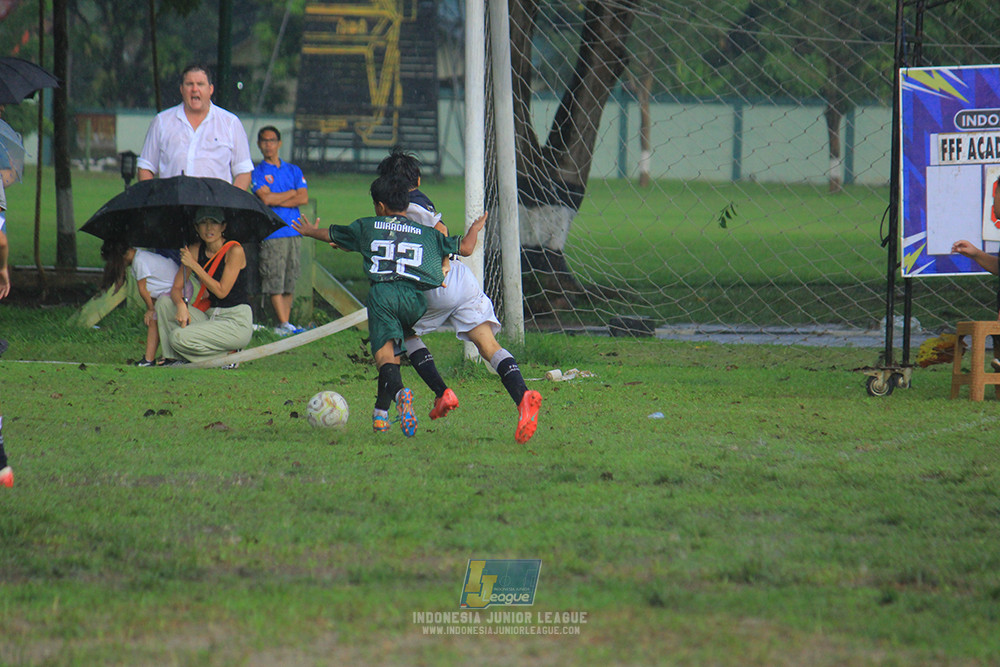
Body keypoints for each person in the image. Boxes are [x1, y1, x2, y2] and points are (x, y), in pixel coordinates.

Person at [292, 175, 486, 437]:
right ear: (406, 205)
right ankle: (380, 415)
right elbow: (465, 247)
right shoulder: (427, 233)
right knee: (404, 341)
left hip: (384, 295)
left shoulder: (368, 226)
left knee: (385, 359)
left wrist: (308, 231)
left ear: (380, 206)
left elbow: (332, 234)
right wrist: (474, 228)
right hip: (415, 300)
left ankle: (400, 395)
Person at [376, 148, 542, 444]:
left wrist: (437, 263)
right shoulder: (422, 199)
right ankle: (523, 398)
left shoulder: (403, 207)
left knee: (403, 334)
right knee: (487, 345)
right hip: (461, 279)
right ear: (418, 178)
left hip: (432, 285)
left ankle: (441, 393)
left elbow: (438, 229)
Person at [155, 207, 253, 366]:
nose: (209, 228)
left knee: (177, 337)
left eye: (214, 223)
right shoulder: (194, 250)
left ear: (223, 227)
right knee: (164, 303)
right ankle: (172, 358)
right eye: (203, 223)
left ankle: (228, 356)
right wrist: (180, 304)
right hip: (210, 316)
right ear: (196, 227)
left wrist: (194, 265)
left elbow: (221, 292)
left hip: (235, 321)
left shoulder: (234, 250)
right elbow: (176, 288)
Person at [136, 64, 253, 189]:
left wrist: (231, 206)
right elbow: (145, 168)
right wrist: (155, 200)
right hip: (172, 205)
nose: (195, 89)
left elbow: (243, 172)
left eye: (200, 84)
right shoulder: (162, 122)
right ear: (181, 89)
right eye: (189, 84)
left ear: (211, 89)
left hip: (216, 206)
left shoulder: (230, 123)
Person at [250, 126, 308, 335]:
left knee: (289, 278)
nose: (268, 144)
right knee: (273, 277)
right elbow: (265, 199)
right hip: (273, 232)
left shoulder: (293, 170)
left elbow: (303, 197)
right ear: (259, 144)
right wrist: (290, 194)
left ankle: (286, 322)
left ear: (279, 143)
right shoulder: (257, 172)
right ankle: (283, 323)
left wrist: (278, 197)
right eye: (264, 141)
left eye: (272, 140)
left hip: (294, 230)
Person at [100, 241, 181, 366]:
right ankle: (149, 359)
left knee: (163, 321)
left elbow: (142, 289)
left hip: (177, 289)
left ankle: (169, 357)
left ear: (122, 256)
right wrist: (152, 308)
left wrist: (150, 309)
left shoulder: (139, 261)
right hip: (166, 290)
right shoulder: (139, 256)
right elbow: (152, 286)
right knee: (154, 321)